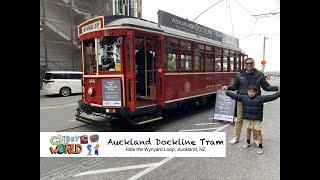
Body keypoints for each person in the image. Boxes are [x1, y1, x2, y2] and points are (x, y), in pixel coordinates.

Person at [222, 58, 278, 145]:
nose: (249, 65)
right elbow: (235, 86)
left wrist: (277, 88)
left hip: (256, 100)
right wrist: (227, 87)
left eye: (251, 63)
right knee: (239, 119)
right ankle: (236, 137)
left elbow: (266, 87)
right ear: (244, 64)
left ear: (254, 64)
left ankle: (255, 138)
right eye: (247, 63)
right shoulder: (239, 75)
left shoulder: (259, 75)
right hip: (242, 99)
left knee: (254, 120)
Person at [225, 85, 280, 154]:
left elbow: (271, 97)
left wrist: (279, 93)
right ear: (247, 91)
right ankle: (248, 143)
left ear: (256, 92)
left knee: (258, 133)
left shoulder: (260, 98)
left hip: (257, 119)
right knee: (248, 131)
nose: (251, 93)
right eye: (249, 91)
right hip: (248, 118)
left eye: (253, 92)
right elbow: (235, 96)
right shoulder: (243, 97)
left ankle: (260, 147)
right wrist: (227, 92)